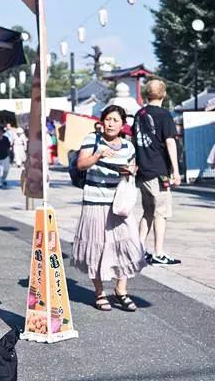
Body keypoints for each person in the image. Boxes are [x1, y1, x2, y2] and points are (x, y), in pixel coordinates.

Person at [72, 105, 146, 312]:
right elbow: (81, 164)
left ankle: (121, 290)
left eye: (115, 120)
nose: (111, 123)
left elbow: (133, 167)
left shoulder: (128, 146)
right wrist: (97, 155)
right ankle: (99, 293)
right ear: (102, 121)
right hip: (95, 201)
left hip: (119, 203)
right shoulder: (92, 139)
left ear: (122, 125)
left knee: (128, 244)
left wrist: (130, 171)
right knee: (97, 246)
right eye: (108, 119)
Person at [133, 79, 182, 266]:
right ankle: (158, 252)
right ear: (164, 94)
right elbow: (170, 141)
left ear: (146, 94)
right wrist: (176, 170)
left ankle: (138, 249)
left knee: (148, 212)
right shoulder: (164, 115)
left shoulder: (140, 114)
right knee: (161, 213)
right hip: (159, 170)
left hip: (143, 170)